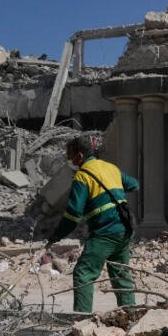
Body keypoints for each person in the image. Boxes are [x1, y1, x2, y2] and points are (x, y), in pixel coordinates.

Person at [47, 134, 139, 313]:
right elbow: (134, 185)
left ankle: (81, 321)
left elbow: (73, 214)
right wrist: (115, 186)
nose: (69, 159)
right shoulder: (110, 168)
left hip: (105, 232)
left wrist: (56, 235)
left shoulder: (82, 176)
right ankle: (131, 316)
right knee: (121, 275)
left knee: (83, 274)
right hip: (125, 230)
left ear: (80, 156)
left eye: (70, 155)